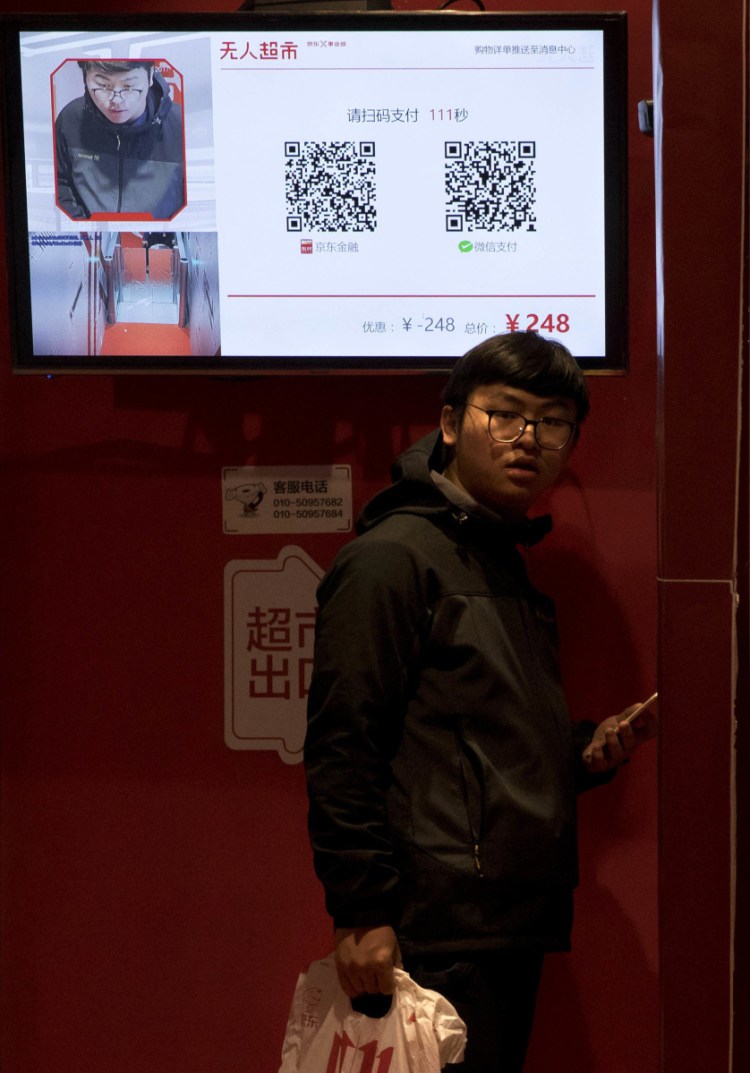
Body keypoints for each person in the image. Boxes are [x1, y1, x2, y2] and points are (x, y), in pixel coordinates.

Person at [304, 331, 657, 1072]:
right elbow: (344, 743)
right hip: (434, 929)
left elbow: (482, 734)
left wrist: (583, 752)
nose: (529, 439)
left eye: (553, 421)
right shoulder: (392, 557)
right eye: (505, 414)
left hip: (505, 921)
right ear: (449, 421)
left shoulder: (499, 557)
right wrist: (361, 910)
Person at [55, 60, 185, 221]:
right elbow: (60, 182)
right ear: (85, 79)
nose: (116, 100)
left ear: (151, 75)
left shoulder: (182, 126)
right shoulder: (70, 119)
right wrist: (81, 227)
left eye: (129, 87)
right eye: (102, 85)